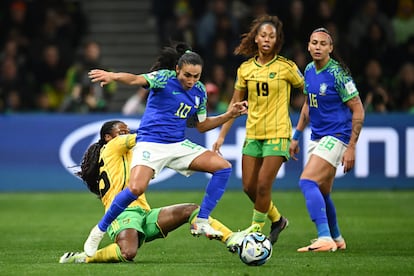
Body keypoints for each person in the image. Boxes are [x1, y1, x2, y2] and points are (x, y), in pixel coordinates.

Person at [82, 42, 250, 257]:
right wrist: (113, 76)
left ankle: (202, 220)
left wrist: (229, 115)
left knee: (223, 167)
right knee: (136, 189)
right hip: (151, 142)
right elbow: (135, 79)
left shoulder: (199, 92)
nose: (191, 81)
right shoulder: (163, 78)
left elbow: (201, 126)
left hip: (177, 144)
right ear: (177, 69)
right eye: (187, 75)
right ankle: (99, 230)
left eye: (196, 76)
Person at [59, 120, 259, 263]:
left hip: (144, 214)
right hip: (122, 215)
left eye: (128, 130)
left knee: (190, 210)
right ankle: (86, 257)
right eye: (122, 131)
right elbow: (148, 139)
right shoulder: (114, 146)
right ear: (108, 137)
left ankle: (232, 238)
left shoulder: (123, 155)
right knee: (128, 252)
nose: (126, 134)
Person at [213, 14, 305, 245]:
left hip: (278, 133)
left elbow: (310, 93)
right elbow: (234, 106)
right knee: (248, 187)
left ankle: (255, 231)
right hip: (253, 133)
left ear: (277, 41)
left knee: (264, 185)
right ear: (255, 38)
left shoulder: (287, 67)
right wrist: (221, 136)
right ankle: (278, 220)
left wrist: (298, 133)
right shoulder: (245, 69)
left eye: (271, 36)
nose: (266, 39)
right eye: (263, 35)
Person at [289, 27, 365, 252]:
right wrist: (296, 135)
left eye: (323, 43)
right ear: (308, 46)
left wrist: (351, 147)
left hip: (337, 136)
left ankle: (324, 238)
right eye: (314, 43)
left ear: (331, 48)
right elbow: (307, 104)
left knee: (306, 181)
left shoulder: (338, 74)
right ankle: (337, 238)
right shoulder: (309, 70)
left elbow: (358, 109)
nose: (318, 47)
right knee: (322, 192)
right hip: (316, 137)